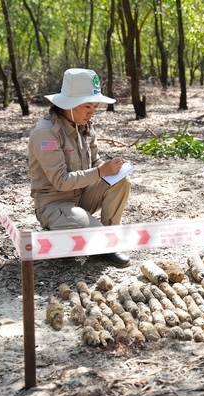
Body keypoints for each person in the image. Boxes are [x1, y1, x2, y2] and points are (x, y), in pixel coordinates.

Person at [28, 68, 131, 267]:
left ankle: (109, 238)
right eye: (87, 106)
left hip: (82, 197)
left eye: (95, 106)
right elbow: (61, 181)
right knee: (90, 233)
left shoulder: (85, 126)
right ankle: (76, 233)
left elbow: (95, 164)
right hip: (54, 205)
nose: (92, 112)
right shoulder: (46, 133)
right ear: (69, 104)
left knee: (121, 179)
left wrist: (112, 168)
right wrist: (101, 171)